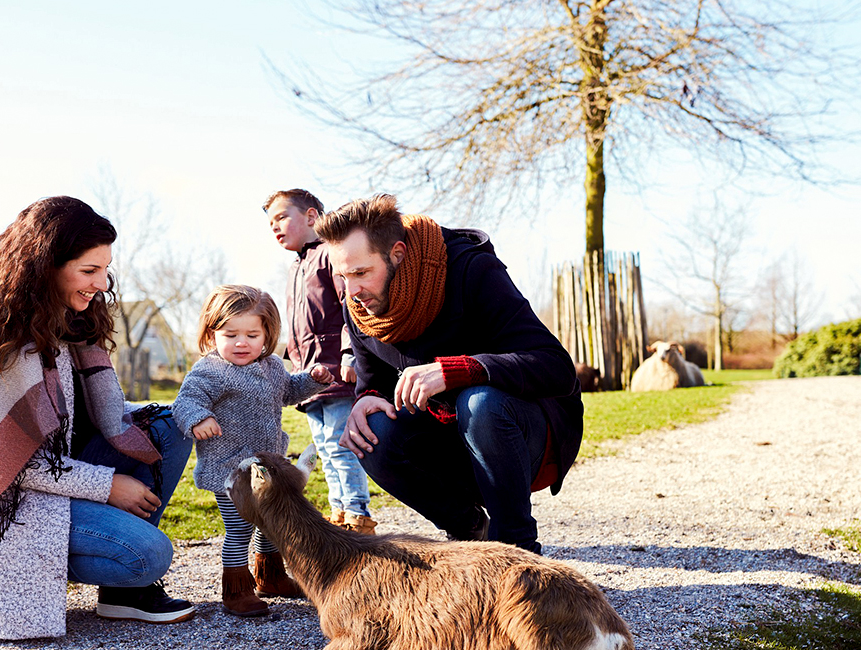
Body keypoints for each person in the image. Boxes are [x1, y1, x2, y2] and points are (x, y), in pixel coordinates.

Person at [0, 196, 196, 640]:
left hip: (61, 471)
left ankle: (124, 594)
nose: (101, 283)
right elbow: (4, 464)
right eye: (89, 270)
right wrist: (108, 486)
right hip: (10, 504)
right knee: (148, 554)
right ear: (46, 264)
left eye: (105, 270)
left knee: (171, 424)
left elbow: (99, 416)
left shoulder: (69, 319)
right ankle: (126, 573)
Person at [317, 194, 583, 555]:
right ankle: (469, 531)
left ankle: (518, 551)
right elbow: (373, 381)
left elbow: (557, 367)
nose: (352, 291)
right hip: (450, 440)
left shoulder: (471, 270)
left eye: (361, 272)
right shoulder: (360, 307)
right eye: (342, 276)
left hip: (525, 435)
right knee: (370, 430)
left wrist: (458, 370)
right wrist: (366, 399)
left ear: (397, 254)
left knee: (479, 401)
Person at [171, 285, 333, 617]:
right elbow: (185, 401)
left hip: (268, 467)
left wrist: (314, 380)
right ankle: (236, 589)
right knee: (240, 529)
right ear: (212, 334)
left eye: (252, 335)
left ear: (267, 335)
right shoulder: (210, 371)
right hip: (230, 471)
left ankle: (270, 576)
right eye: (230, 335)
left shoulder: (272, 366)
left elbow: (289, 391)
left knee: (271, 522)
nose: (241, 343)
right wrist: (198, 418)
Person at [264, 188, 376, 535]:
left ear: (311, 216)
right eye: (270, 223)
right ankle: (339, 511)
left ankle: (357, 514)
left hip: (336, 371)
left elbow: (352, 306)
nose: (275, 227)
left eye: (282, 217)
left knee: (341, 445)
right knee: (325, 450)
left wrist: (349, 352)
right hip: (310, 377)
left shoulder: (330, 254)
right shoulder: (296, 267)